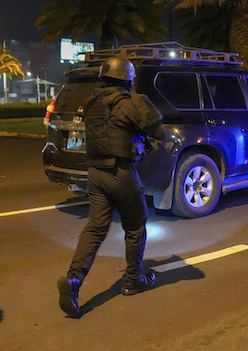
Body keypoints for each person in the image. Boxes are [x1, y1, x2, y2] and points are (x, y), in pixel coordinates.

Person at [57, 56, 166, 318]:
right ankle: (133, 280)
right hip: (121, 173)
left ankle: (74, 279)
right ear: (128, 79)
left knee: (95, 229)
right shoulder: (134, 102)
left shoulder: (91, 102)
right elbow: (159, 132)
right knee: (135, 226)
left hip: (95, 173)